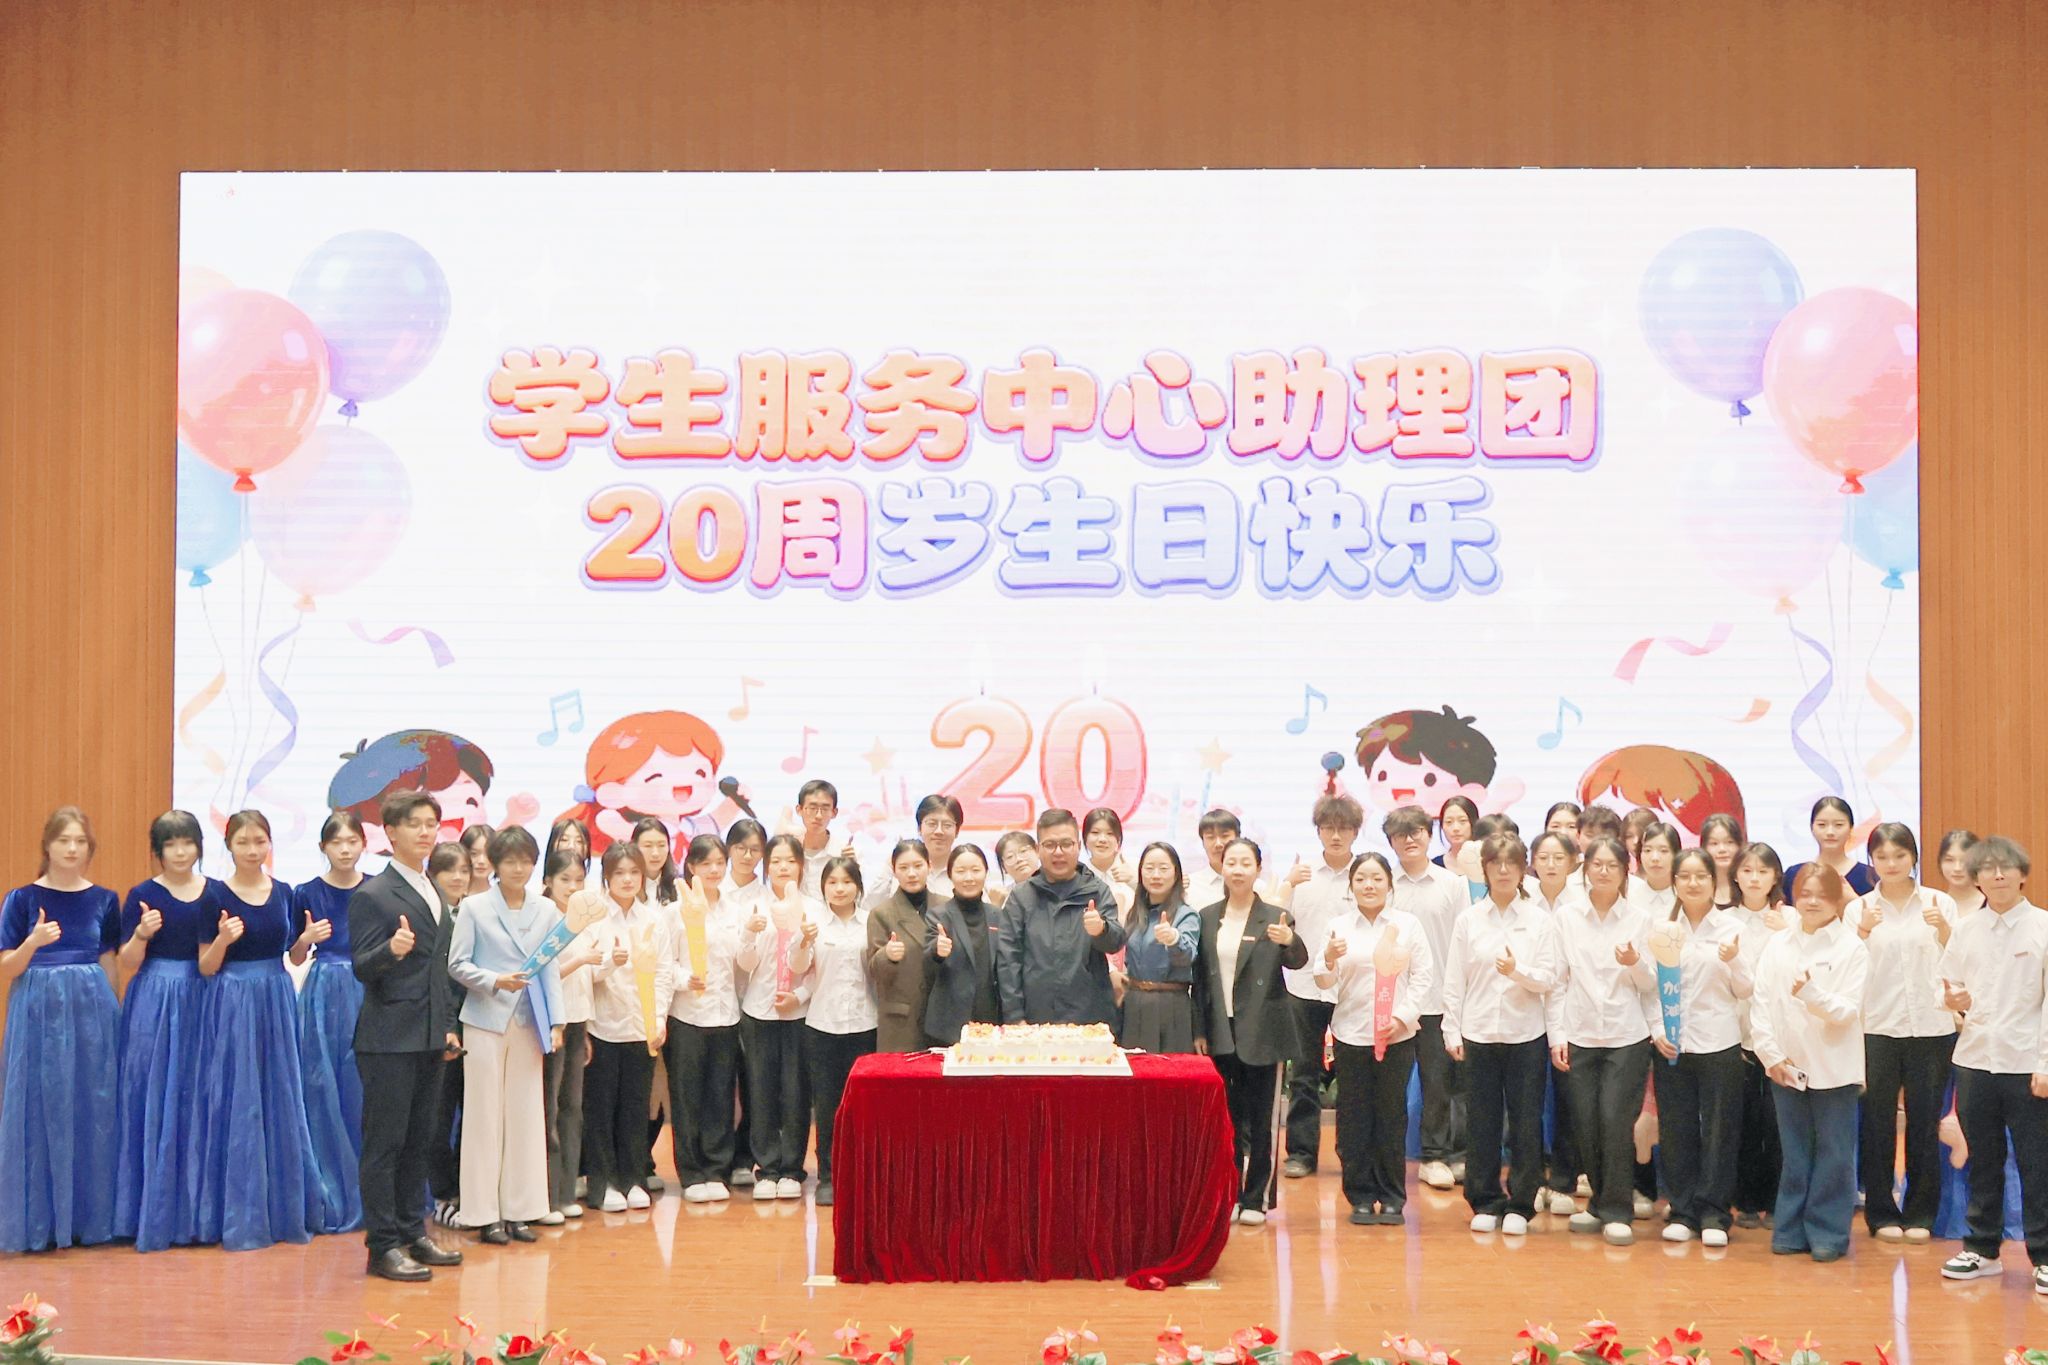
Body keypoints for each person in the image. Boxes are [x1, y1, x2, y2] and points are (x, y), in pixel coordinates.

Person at [190, 809, 321, 1252]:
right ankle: (238, 1212)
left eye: (259, 841)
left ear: (270, 844)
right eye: (243, 842)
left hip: (277, 997)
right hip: (232, 1001)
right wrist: (224, 939)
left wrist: (304, 940)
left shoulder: (285, 893)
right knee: (237, 1099)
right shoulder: (213, 895)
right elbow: (206, 966)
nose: (252, 850)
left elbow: (295, 957)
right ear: (228, 845)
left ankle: (283, 1208)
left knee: (280, 1096)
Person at [350, 791, 466, 1282]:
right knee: (386, 1144)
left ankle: (411, 1231)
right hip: (388, 1038)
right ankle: (382, 1246)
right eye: (414, 823)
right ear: (391, 832)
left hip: (430, 1036)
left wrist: (448, 1027)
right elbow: (361, 966)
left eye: (431, 823)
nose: (425, 832)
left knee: (420, 1140)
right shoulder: (373, 894)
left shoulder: (433, 889)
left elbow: (439, 969)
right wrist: (390, 951)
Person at [0, 807, 121, 1253]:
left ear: (90, 848)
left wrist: (115, 1016)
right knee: (38, 1107)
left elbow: (109, 962)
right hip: (37, 1012)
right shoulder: (21, 899)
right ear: (47, 846)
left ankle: (91, 1219)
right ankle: (39, 1221)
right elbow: (8, 966)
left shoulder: (105, 899)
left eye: (80, 841)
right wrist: (33, 942)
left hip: (92, 1012)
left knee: (93, 1109)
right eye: (63, 840)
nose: (72, 849)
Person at [1938, 837, 2048, 1287]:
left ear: (2022, 874)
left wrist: (2046, 1064)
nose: (1998, 875)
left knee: (2037, 1162)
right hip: (1975, 1060)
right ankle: (1982, 1249)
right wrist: (1953, 1001)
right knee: (1983, 1159)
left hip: (2027, 1063)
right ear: (1977, 878)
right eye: (1988, 868)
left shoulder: (2042, 927)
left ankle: (2044, 1255)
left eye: (2006, 867)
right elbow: (1947, 985)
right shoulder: (1966, 929)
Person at [447, 827, 562, 1245]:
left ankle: (521, 1210)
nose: (519, 868)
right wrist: (496, 980)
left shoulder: (545, 909)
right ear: (495, 864)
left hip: (531, 1020)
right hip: (484, 1019)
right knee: (483, 1115)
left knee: (526, 1115)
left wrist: (558, 1022)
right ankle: (483, 1213)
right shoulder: (475, 907)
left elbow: (550, 968)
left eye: (526, 861)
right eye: (510, 861)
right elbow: (457, 964)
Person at [1750, 862, 1868, 1262]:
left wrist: (1812, 994)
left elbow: (1847, 1011)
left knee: (1834, 1154)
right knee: (1795, 1152)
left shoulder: (1852, 947)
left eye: (1822, 895)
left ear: (1836, 900)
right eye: (1805, 894)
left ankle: (1828, 1233)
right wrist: (1770, 1055)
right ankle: (1790, 1229)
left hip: (1835, 1067)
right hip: (1786, 1065)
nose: (1813, 902)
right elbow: (1761, 1003)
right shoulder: (1778, 944)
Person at [1443, 832, 1557, 1237]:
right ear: (1485, 869)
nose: (1504, 871)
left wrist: (1517, 972)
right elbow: (1454, 979)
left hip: (1526, 1034)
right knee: (1482, 1121)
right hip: (1478, 1032)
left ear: (1523, 869)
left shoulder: (1539, 920)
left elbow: (1549, 979)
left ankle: (1522, 1203)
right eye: (1496, 864)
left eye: (1511, 863)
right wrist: (1451, 1028)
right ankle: (1485, 1199)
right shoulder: (1469, 920)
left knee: (1525, 1122)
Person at [113, 810, 216, 1252]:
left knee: (200, 1098)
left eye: (187, 842)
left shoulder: (215, 892)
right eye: (170, 844)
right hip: (155, 999)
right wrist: (141, 933)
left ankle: (200, 1211)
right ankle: (150, 1210)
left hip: (205, 997)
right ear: (157, 851)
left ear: (199, 846)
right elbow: (125, 961)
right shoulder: (142, 894)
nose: (179, 852)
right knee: (153, 1095)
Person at [1316, 852, 1434, 1226]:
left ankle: (1393, 1195)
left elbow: (1423, 977)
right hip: (1352, 1034)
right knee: (1354, 1117)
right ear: (1351, 886)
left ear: (1389, 884)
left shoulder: (1407, 925)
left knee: (1391, 1115)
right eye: (1361, 879)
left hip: (1396, 1036)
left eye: (1377, 878)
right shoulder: (1338, 927)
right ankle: (1361, 1196)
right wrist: (1329, 959)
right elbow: (1323, 981)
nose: (1369, 885)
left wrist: (1403, 1017)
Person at [1852, 823, 1956, 1242]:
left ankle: (1921, 1214)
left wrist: (1944, 930)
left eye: (1899, 855)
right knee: (1877, 1122)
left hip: (1931, 1027)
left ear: (1913, 856)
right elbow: (1846, 969)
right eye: (1882, 856)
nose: (1891, 864)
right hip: (1877, 1027)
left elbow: (1962, 962)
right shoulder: (1858, 909)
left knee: (1923, 1122)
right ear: (1872, 861)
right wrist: (1862, 931)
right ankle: (1881, 1213)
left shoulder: (1940, 903)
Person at [1195, 836, 1307, 1225]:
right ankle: (1227, 1195)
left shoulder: (1276, 915)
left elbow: (1297, 960)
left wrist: (1289, 940)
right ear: (1221, 867)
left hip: (1263, 1031)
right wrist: (1200, 1029)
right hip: (1220, 1031)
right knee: (1226, 1120)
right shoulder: (1206, 917)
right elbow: (1200, 979)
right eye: (1232, 863)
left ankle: (1256, 1198)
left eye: (1246, 863)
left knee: (1262, 1122)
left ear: (1259, 869)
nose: (1238, 870)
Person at [1550, 832, 1653, 1247]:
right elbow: (1558, 981)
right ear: (1585, 869)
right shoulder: (1566, 918)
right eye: (1597, 865)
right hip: (1579, 1032)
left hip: (1627, 1035)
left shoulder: (1640, 920)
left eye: (1613, 865)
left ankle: (1617, 1209)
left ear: (1626, 871)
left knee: (1614, 1121)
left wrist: (1635, 962)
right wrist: (1557, 1035)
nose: (1604, 872)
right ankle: (1597, 1203)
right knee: (1586, 1123)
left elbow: (1649, 983)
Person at [1652, 847, 1750, 1247]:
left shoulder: (1732, 927)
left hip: (1719, 1042)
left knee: (1719, 1130)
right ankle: (1682, 1211)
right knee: (1676, 1129)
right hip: (1672, 1044)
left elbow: (1747, 989)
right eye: (1685, 876)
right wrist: (1656, 1029)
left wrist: (1734, 961)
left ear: (1714, 881)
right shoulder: (1662, 930)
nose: (1693, 883)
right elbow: (1649, 988)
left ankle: (1714, 1212)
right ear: (1674, 882)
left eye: (1701, 876)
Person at [1384, 804, 1470, 1191]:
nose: (1409, 839)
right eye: (1400, 834)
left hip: (1438, 1001)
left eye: (1417, 831)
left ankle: (1435, 1156)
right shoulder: (1384, 884)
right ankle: (1387, 1155)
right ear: (1390, 841)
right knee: (1391, 1083)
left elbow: (1463, 942)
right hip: (1394, 1003)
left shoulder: (1452, 884)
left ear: (1429, 834)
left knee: (1438, 1083)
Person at [582, 842, 670, 1213]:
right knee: (601, 1109)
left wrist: (659, 1018)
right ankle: (603, 1184)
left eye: (634, 872)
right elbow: (584, 973)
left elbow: (663, 972)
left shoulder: (653, 919)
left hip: (641, 1028)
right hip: (602, 1027)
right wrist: (609, 963)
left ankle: (633, 1179)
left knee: (636, 1108)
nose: (628, 879)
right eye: (619, 873)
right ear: (606, 877)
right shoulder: (593, 918)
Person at [1281, 792, 1362, 1180]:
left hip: (1352, 990)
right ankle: (1301, 1152)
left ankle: (1351, 1153)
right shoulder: (1302, 875)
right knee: (1303, 1075)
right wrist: (1286, 883)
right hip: (1303, 987)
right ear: (1318, 831)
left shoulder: (1365, 874)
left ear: (1355, 832)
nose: (1336, 835)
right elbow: (1280, 923)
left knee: (1353, 1076)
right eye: (1328, 828)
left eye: (1343, 828)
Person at [296, 811, 369, 1236]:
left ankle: (369, 1188)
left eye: (351, 841)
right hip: (324, 993)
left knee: (364, 1088)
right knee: (322, 1086)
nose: (344, 849)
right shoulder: (306, 892)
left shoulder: (375, 888)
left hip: (367, 989)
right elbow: (294, 957)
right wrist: (306, 939)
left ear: (364, 844)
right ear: (323, 847)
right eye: (336, 842)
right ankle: (329, 1187)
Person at [735, 833, 818, 1200]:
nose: (783, 867)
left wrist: (799, 995)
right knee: (761, 1090)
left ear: (801, 865)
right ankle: (767, 1168)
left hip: (799, 1014)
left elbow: (818, 968)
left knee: (796, 1092)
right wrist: (749, 936)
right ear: (767, 866)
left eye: (790, 861)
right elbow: (745, 964)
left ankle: (792, 1169)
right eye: (776, 861)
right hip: (759, 1011)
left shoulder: (814, 908)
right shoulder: (754, 906)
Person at [663, 835, 743, 1204]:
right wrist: (685, 979)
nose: (713, 870)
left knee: (721, 1096)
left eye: (719, 862)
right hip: (687, 1016)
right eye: (705, 863)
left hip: (726, 1016)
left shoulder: (734, 909)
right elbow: (663, 963)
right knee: (687, 1097)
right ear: (691, 866)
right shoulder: (674, 912)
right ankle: (691, 1172)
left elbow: (741, 962)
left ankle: (717, 1169)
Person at [997, 809, 1125, 1025]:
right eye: (1050, 845)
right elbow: (1008, 960)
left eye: (1066, 844)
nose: (1058, 852)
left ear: (1078, 846)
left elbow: (1115, 942)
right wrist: (1014, 1016)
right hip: (1036, 1017)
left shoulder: (1097, 890)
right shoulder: (1021, 897)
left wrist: (1101, 930)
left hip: (1090, 1016)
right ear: (1038, 849)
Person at [800, 855, 876, 1207]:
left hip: (865, 1023)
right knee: (828, 1104)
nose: (840, 888)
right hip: (823, 1025)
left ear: (858, 887)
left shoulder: (871, 922)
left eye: (847, 882)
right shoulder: (813, 924)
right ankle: (828, 1176)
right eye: (832, 882)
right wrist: (803, 942)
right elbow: (798, 968)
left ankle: (861, 1173)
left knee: (863, 1105)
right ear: (823, 887)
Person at [1728, 841, 1790, 1229]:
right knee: (1745, 1122)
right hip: (1737, 1038)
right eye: (1747, 870)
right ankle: (1747, 1201)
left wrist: (1788, 933)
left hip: (1783, 1039)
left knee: (1778, 1124)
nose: (1754, 878)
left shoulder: (1790, 918)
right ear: (1735, 876)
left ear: (1775, 877)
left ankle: (1779, 1201)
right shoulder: (1724, 920)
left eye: (1763, 871)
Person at [1525, 830, 1583, 1216]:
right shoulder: (1522, 900)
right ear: (1532, 862)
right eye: (1543, 857)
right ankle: (1529, 1181)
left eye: (1558, 858)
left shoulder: (1581, 904)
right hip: (1527, 1013)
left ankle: (1563, 1180)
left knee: (1568, 1102)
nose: (1550, 865)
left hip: (1571, 1015)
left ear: (1573, 862)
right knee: (1528, 1103)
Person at [539, 849, 593, 1220]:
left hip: (578, 1022)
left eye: (579, 880)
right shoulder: (543, 918)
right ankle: (546, 1196)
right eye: (564, 880)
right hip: (551, 1024)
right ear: (548, 882)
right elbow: (541, 971)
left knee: (573, 1107)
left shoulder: (585, 919)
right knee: (549, 1107)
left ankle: (567, 1191)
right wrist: (581, 960)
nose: (572, 887)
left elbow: (588, 979)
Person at [426, 843, 473, 1227]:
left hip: (477, 1028)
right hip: (441, 1030)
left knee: (472, 1116)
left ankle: (465, 1191)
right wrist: (446, 1027)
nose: (457, 878)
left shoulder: (474, 914)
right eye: (448, 870)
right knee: (438, 1117)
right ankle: (441, 1194)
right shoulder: (428, 916)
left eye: (464, 870)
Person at [1116, 842, 1200, 1053]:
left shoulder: (1186, 914)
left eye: (1163, 868)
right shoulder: (1135, 913)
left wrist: (1173, 939)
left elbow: (1188, 955)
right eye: (1149, 868)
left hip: (1170, 1005)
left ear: (1176, 873)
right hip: (1134, 1003)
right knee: (1134, 1066)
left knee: (1169, 1068)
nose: (1156, 875)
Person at [722, 817, 769, 1188]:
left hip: (757, 1003)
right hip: (717, 1003)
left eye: (755, 849)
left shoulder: (768, 898)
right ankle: (720, 1158)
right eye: (740, 848)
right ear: (729, 849)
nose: (747, 855)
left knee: (755, 1084)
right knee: (721, 1085)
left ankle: (744, 1156)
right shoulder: (713, 892)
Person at [924, 844, 1004, 1045]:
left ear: (986, 872)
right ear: (950, 875)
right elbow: (926, 963)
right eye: (961, 871)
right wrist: (937, 951)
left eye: (975, 870)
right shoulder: (938, 915)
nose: (969, 877)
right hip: (950, 1022)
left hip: (992, 1019)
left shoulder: (998, 915)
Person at [868, 838, 937, 1052]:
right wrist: (886, 955)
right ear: (894, 870)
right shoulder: (881, 913)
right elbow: (874, 971)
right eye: (904, 868)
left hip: (942, 1016)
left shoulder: (946, 906)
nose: (912, 874)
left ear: (929, 866)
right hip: (901, 1020)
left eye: (918, 866)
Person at [1783, 797, 1878, 902]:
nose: (1830, 832)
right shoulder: (1794, 875)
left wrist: (1854, 901)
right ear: (1812, 828)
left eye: (1838, 825)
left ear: (1851, 828)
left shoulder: (1870, 876)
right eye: (1822, 825)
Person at [1083, 807, 1139, 910]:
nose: (1102, 839)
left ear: (1118, 840)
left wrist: (1134, 881)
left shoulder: (1135, 868)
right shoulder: (1079, 875)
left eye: (1110, 834)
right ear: (1085, 838)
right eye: (1095, 832)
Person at [795, 779, 841, 896]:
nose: (819, 816)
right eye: (812, 808)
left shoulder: (844, 853)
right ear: (799, 810)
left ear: (834, 812)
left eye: (825, 809)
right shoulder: (788, 851)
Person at [1700, 814, 1745, 908]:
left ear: (1740, 845)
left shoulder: (1750, 883)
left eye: (1729, 842)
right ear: (1703, 848)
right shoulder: (1697, 886)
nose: (1722, 849)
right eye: (1714, 843)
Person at [1938, 829, 1985, 917]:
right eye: (1949, 860)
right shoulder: (1935, 906)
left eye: (1965, 860)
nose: (1957, 868)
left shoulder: (1992, 906)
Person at [1434, 795, 1479, 872]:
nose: (1456, 828)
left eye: (1462, 821)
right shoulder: (1435, 866)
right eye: (1449, 822)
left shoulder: (1488, 863)